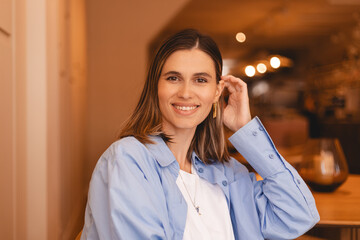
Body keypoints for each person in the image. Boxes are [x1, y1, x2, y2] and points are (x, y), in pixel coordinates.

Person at [80, 29, 319, 240]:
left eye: (200, 80)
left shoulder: (228, 173)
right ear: (156, 86)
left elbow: (298, 215)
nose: (185, 92)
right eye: (173, 78)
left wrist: (246, 131)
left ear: (217, 92)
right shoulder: (128, 160)